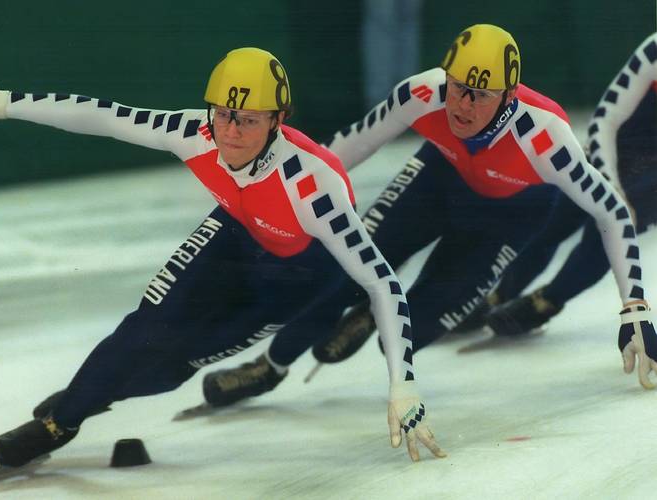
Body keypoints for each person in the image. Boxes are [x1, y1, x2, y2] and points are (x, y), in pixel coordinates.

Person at [0, 48, 444, 466]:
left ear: (279, 120)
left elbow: (381, 282)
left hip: (299, 274)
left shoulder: (313, 184)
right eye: (223, 116)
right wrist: (1, 101)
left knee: (173, 368)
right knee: (144, 327)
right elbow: (100, 115)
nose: (231, 133)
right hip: (232, 234)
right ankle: (61, 422)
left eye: (247, 120)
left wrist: (405, 384)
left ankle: (102, 387)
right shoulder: (195, 133)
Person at [197, 24, 657, 410]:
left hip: (511, 215)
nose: (462, 106)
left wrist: (634, 307)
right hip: (438, 178)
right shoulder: (422, 93)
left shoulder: (545, 135)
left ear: (509, 95)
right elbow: (341, 153)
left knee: (409, 331)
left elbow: (613, 212)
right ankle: (270, 366)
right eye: (457, 88)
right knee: (340, 272)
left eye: (480, 95)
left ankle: (372, 318)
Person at [474, 33, 657, 338]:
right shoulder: (654, 50)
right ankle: (501, 294)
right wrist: (611, 184)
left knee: (604, 239)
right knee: (553, 224)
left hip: (649, 179)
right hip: (611, 154)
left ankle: (546, 301)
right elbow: (605, 120)